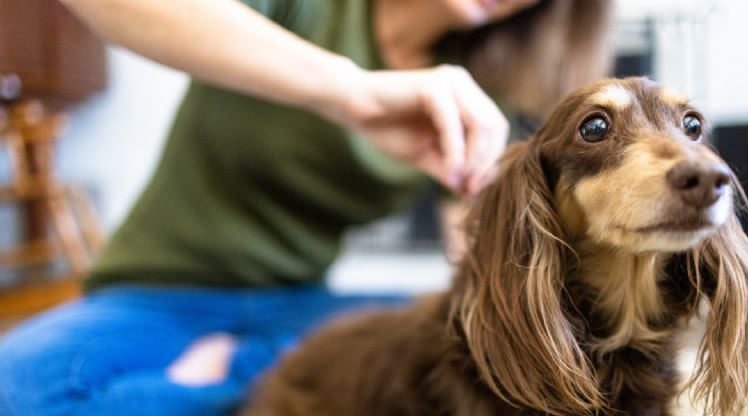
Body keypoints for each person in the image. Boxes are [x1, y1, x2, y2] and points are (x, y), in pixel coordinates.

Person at [0, 0, 613, 415]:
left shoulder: (481, 94)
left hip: (301, 305)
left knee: (444, 347)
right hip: (158, 292)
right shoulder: (315, 10)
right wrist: (350, 92)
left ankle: (242, 370)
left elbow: (474, 265)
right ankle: (244, 385)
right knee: (18, 390)